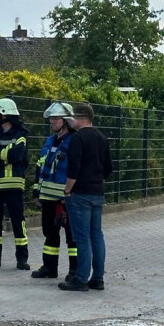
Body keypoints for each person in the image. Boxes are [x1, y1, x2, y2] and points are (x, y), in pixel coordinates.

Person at [58, 103, 113, 292]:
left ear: (81, 118)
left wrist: (67, 191)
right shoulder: (102, 138)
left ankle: (81, 279)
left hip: (79, 194)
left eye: (72, 117)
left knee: (82, 238)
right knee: (96, 235)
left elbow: (73, 169)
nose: (70, 121)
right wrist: (97, 180)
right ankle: (97, 279)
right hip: (97, 193)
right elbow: (108, 168)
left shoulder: (77, 139)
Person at [0, 98, 30, 270]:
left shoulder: (21, 134)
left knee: (18, 222)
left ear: (4, 115)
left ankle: (22, 258)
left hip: (14, 186)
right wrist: (5, 155)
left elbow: (18, 155)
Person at [31, 102, 77, 280]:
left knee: (72, 236)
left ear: (66, 121)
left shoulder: (74, 141)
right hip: (48, 196)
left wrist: (69, 193)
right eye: (51, 118)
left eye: (56, 118)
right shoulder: (50, 140)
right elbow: (40, 167)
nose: (52, 121)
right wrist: (37, 191)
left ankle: (74, 271)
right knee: (49, 232)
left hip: (66, 198)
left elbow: (75, 170)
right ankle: (49, 268)